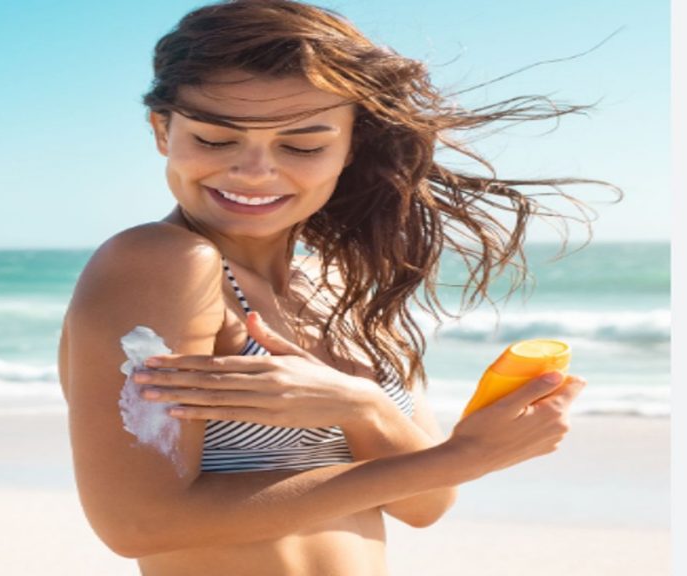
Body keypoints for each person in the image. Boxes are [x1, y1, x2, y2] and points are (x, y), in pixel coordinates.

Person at [58, 1, 609, 573]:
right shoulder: (158, 264)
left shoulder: (336, 283)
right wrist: (467, 455)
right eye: (215, 139)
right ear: (162, 130)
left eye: (302, 145)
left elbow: (423, 503)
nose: (253, 171)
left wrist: (363, 407)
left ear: (352, 145)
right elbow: (139, 524)